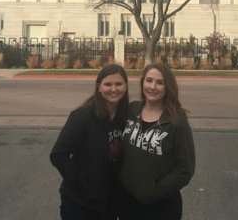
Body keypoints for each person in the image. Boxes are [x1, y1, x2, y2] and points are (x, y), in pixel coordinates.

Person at [50, 64, 129, 220]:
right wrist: (82, 181)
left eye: (119, 84)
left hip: (110, 203)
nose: (114, 89)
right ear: (99, 87)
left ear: (126, 86)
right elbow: (58, 155)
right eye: (108, 84)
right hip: (80, 204)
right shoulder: (83, 116)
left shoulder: (126, 116)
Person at [119, 63, 195, 220]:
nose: (152, 86)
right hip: (127, 201)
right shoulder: (132, 110)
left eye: (160, 82)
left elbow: (185, 169)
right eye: (149, 80)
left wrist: (154, 192)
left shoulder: (176, 121)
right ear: (142, 83)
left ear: (168, 87)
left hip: (161, 206)